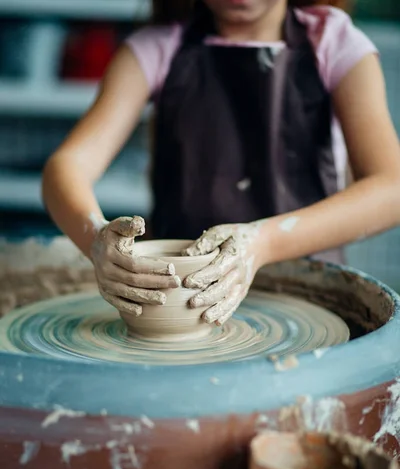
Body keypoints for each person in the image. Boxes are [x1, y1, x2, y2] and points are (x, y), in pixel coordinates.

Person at [42, 0, 400, 327]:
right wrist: (95, 241)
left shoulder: (333, 42)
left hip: (312, 304)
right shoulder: (157, 48)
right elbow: (67, 166)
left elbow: (392, 188)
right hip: (183, 303)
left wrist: (262, 243)